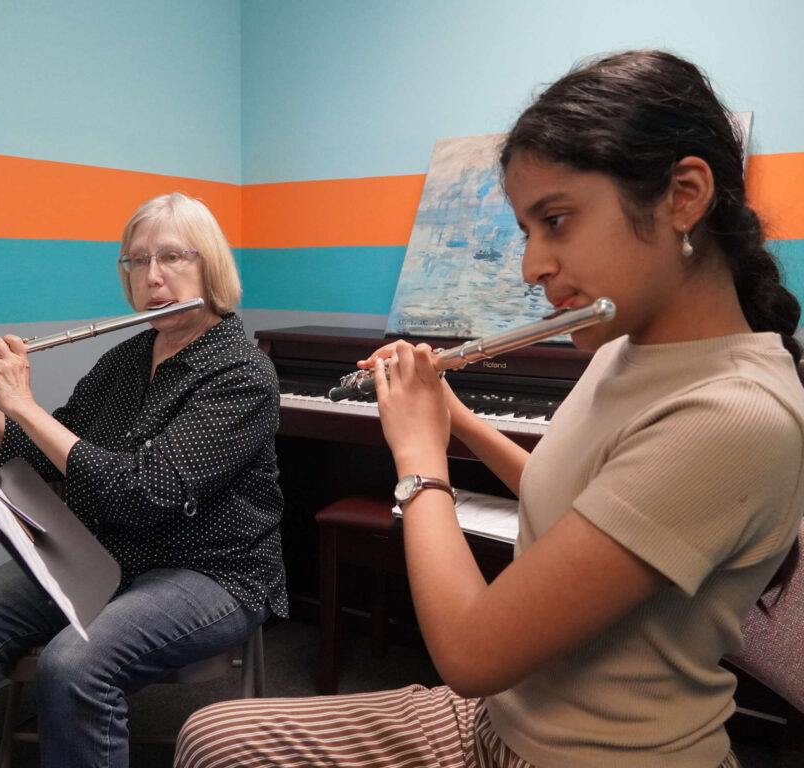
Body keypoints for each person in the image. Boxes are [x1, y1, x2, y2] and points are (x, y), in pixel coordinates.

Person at [173, 50, 804, 768]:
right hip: (504, 717)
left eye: (556, 220)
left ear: (684, 195)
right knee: (211, 736)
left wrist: (419, 457)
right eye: (526, 230)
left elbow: (471, 653)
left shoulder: (733, 414)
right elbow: (576, 501)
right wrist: (456, 418)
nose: (532, 265)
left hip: (582, 752)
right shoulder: (629, 346)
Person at [0, 192, 287, 768]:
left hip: (210, 569)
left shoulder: (243, 372)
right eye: (137, 261)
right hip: (103, 553)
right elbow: (51, 453)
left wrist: (22, 403)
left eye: (172, 257)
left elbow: (147, 493)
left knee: (75, 664)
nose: (153, 277)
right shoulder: (126, 358)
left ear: (210, 266)